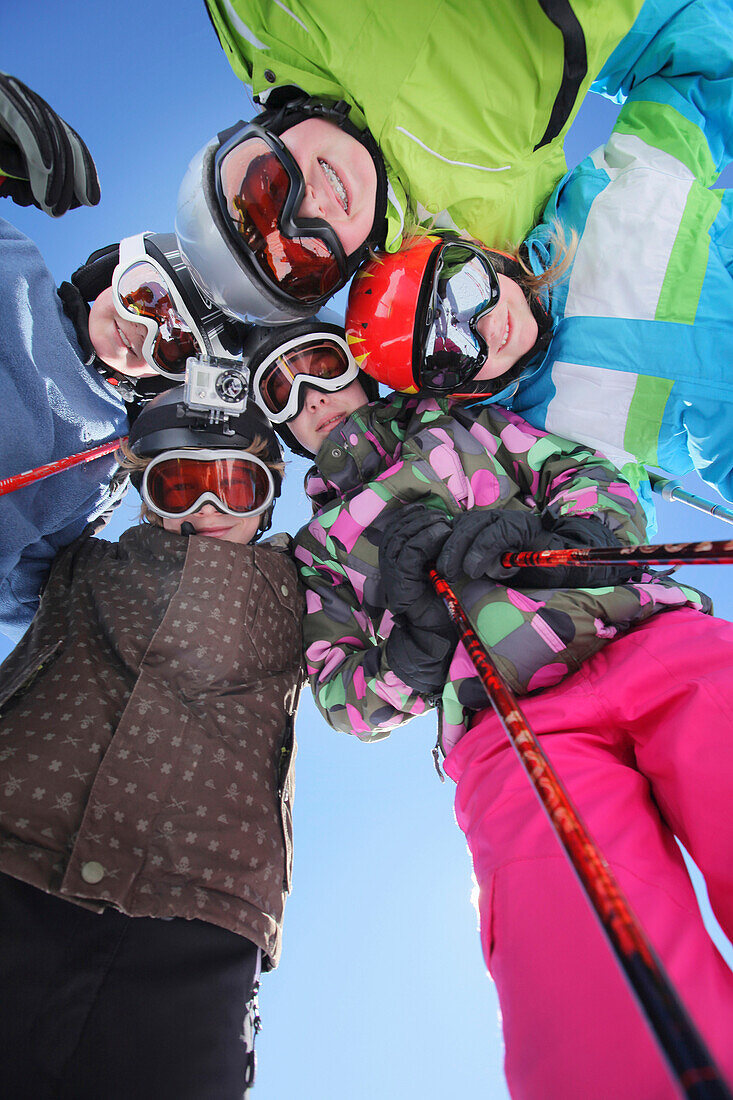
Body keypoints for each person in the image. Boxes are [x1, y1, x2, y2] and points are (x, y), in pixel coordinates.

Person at [246, 336, 733, 1096]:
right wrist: (418, 641)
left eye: (319, 364)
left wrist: (572, 540)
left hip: (637, 631)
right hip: (505, 721)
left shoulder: (464, 425)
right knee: (579, 945)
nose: (309, 395)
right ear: (281, 429)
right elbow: (344, 698)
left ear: (357, 366)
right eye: (280, 393)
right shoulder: (315, 551)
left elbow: (585, 475)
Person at [0, 385, 304, 1099]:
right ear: (144, 496)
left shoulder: (305, 587)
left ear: (266, 501)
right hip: (15, 851)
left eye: (234, 485)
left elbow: (373, 682)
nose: (205, 510)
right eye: (177, 486)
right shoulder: (77, 562)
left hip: (194, 916)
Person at [344, 1, 733, 519]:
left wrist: (574, 42)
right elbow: (609, 507)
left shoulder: (592, 203)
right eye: (448, 349)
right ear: (456, 388)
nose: (482, 326)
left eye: (460, 289)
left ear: (481, 255)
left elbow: (698, 64)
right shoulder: (542, 439)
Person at [174, 0, 733, 323]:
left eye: (267, 187)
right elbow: (698, 59)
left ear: (256, 133)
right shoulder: (486, 227)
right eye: (306, 256)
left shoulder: (263, 19)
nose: (309, 205)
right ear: (346, 270)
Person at [0, 74, 247, 641]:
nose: (143, 332)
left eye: (174, 344)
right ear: (118, 268)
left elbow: (31, 597)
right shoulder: (16, 263)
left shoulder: (102, 461)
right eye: (148, 299)